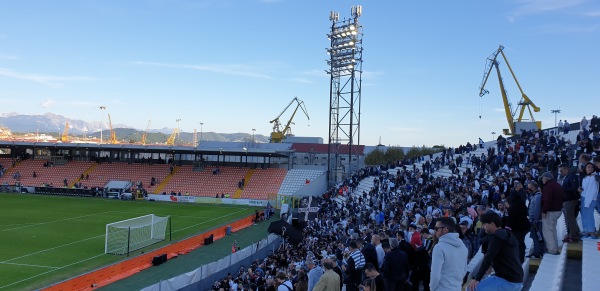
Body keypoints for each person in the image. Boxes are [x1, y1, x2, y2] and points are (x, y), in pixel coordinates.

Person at [468, 211, 523, 291]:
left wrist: (477, 279)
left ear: (492, 224)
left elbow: (488, 258)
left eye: (484, 224)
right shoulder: (508, 235)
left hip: (507, 280)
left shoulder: (496, 238)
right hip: (516, 279)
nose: (483, 227)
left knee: (471, 288)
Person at [429, 217, 468, 291]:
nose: (434, 231)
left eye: (436, 228)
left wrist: (432, 288)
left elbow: (435, 275)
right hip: (457, 288)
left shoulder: (439, 247)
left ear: (445, 230)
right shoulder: (463, 246)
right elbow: (464, 271)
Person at [540, 171, 564, 255]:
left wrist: (544, 211)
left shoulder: (548, 187)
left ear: (546, 178)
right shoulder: (557, 185)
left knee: (547, 231)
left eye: (543, 178)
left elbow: (547, 200)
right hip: (558, 210)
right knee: (552, 229)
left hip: (551, 211)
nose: (542, 179)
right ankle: (554, 247)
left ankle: (552, 249)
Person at [559, 163, 581, 242]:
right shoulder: (567, 177)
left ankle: (573, 236)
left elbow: (574, 187)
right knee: (569, 218)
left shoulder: (572, 176)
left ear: (566, 169)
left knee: (570, 218)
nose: (561, 173)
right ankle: (574, 233)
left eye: (561, 171)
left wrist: (563, 188)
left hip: (571, 200)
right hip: (567, 200)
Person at [578, 162, 599, 239]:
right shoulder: (585, 177)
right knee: (584, 216)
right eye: (588, 167)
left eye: (591, 167)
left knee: (589, 216)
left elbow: (592, 191)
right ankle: (586, 231)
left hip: (590, 199)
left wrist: (587, 202)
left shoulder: (594, 178)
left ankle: (592, 233)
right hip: (584, 198)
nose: (590, 169)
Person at [527, 181, 545, 258]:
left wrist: (535, 220)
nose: (528, 189)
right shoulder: (533, 196)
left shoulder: (538, 196)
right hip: (533, 220)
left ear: (534, 187)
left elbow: (537, 209)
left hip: (536, 221)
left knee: (537, 237)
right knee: (535, 237)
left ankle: (538, 253)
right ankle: (537, 252)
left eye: (529, 187)